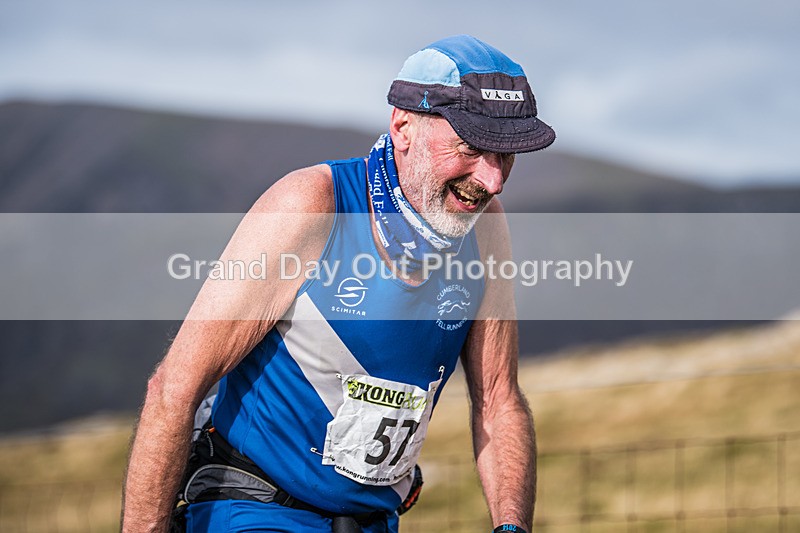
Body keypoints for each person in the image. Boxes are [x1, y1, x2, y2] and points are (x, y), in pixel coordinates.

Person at [122, 35, 555, 533]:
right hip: (254, 509)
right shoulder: (312, 206)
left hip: (372, 521)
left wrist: (511, 528)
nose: (493, 180)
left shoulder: (485, 226)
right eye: (473, 148)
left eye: (507, 156)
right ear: (403, 126)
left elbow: (499, 400)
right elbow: (172, 391)